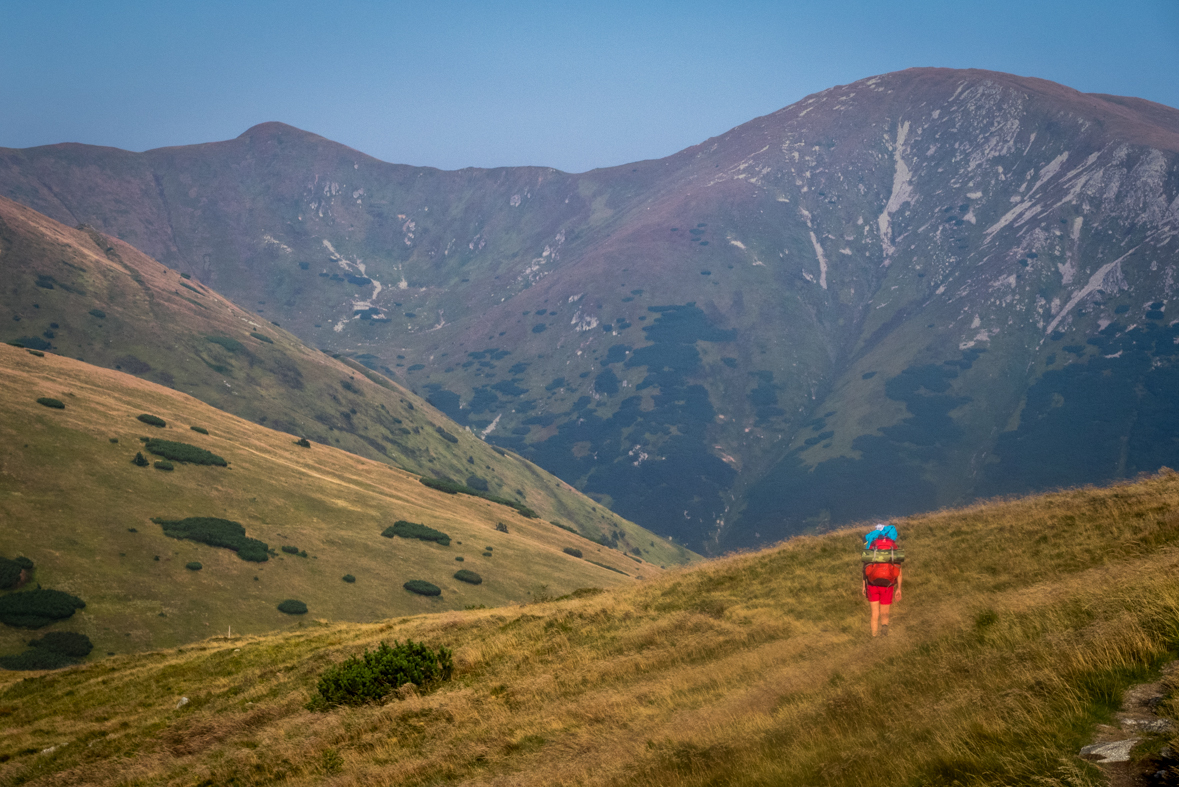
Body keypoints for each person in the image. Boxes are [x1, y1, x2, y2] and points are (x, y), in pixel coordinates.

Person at [862, 523, 902, 637]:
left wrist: (863, 585)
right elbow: (898, 569)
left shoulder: (872, 546)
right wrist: (899, 588)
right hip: (888, 585)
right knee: (885, 613)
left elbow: (865, 568)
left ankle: (874, 639)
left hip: (872, 584)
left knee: (875, 614)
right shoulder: (893, 547)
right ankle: (884, 637)